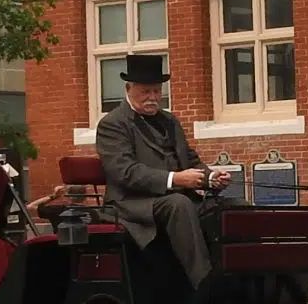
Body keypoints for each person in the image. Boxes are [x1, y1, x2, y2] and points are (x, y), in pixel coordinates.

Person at [96, 52, 228, 287]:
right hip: (133, 203)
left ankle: (240, 279)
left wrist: (210, 177)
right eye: (145, 92)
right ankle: (206, 286)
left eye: (157, 91)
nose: (153, 97)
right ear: (129, 88)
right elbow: (125, 172)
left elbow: (190, 159)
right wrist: (175, 179)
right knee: (179, 204)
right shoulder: (113, 124)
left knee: (230, 208)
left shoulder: (170, 121)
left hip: (174, 198)